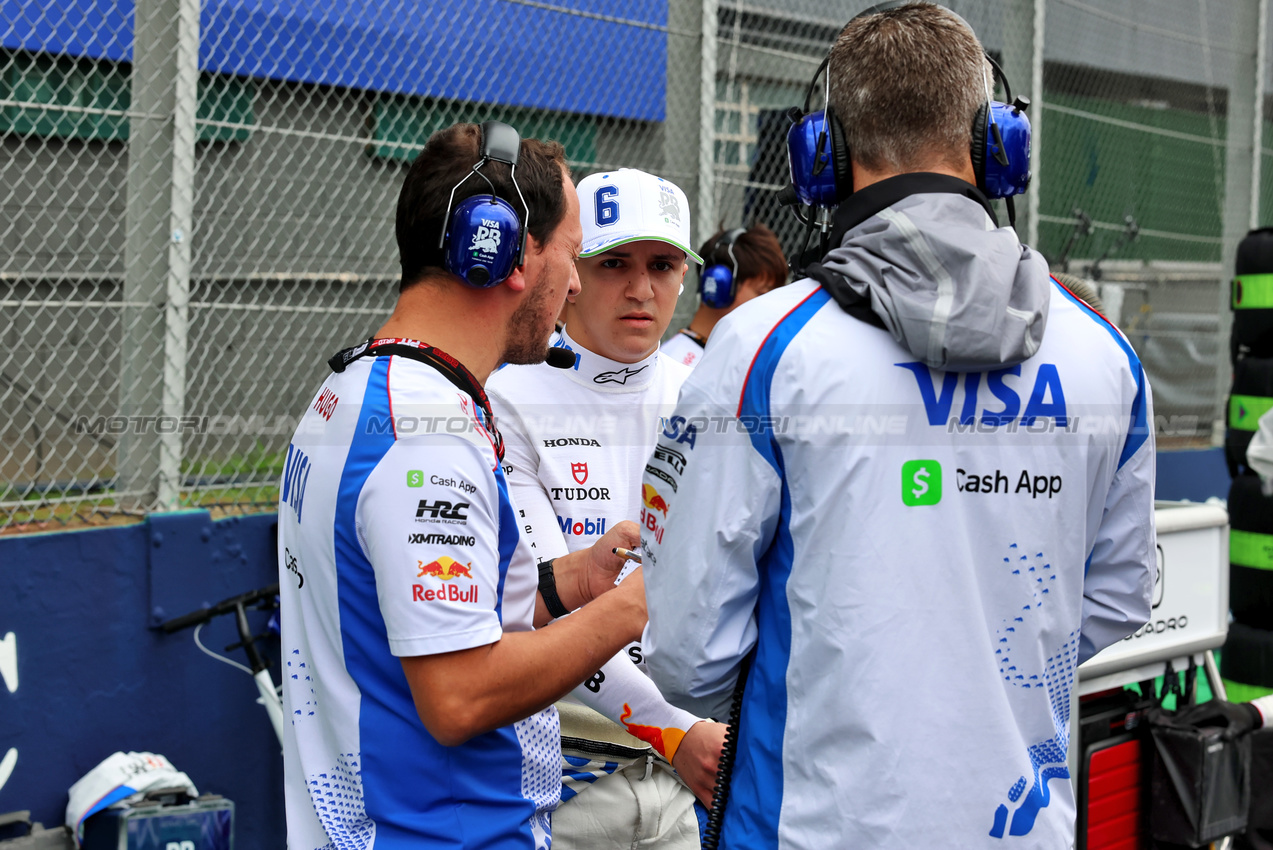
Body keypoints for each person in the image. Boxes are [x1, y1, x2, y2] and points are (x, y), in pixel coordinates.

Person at [640, 5, 1156, 849]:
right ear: (1000, 146)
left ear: (821, 156)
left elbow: (688, 656)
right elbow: (1115, 598)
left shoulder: (764, 346)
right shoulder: (1104, 355)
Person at [278, 122, 648, 850]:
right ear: (502, 251)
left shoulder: (360, 389)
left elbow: (403, 626)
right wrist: (635, 607)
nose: (575, 283)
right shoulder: (427, 438)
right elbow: (459, 693)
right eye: (571, 254)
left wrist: (565, 586)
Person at [487, 167, 727, 850]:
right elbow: (541, 611)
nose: (640, 288)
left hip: (688, 770)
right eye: (613, 263)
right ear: (569, 274)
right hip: (561, 778)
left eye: (662, 265)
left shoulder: (707, 394)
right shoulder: (509, 397)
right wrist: (671, 730)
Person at [661, 224, 788, 369]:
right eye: (762, 294)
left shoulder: (718, 355)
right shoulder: (680, 365)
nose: (770, 307)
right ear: (720, 286)